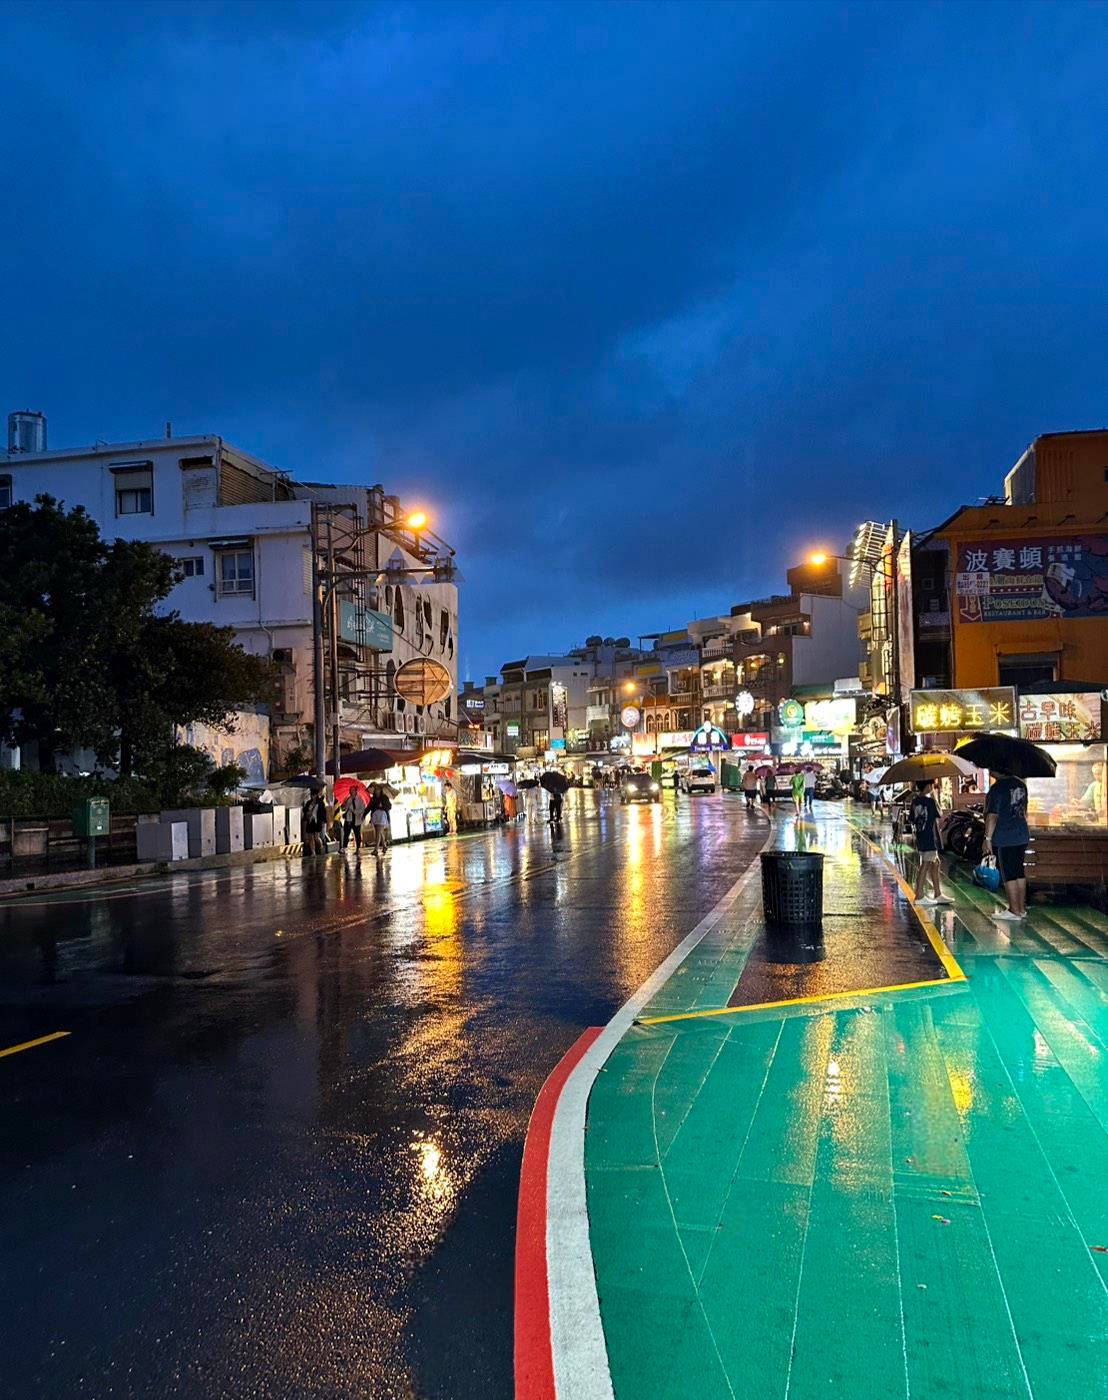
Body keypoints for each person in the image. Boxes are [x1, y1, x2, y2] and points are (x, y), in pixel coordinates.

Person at [984, 769, 1029, 920]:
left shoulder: (997, 789)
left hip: (1005, 837)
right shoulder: (1021, 785)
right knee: (1018, 872)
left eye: (992, 767)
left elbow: (992, 816)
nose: (989, 770)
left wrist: (988, 839)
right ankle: (1021, 909)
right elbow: (1024, 810)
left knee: (1008, 874)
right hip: (1021, 834)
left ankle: (1014, 910)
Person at [908, 778, 950, 905]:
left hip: (921, 836)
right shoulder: (930, 801)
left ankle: (937, 893)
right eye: (931, 785)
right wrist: (934, 796)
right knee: (926, 864)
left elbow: (912, 819)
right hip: (930, 837)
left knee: (935, 862)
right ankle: (919, 895)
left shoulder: (915, 801)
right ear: (928, 786)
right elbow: (940, 813)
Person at [369, 786, 392, 855]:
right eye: (375, 790)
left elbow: (389, 806)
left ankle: (376, 849)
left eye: (378, 789)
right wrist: (365, 814)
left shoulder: (384, 797)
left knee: (378, 832)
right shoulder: (373, 798)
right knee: (380, 832)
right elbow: (370, 807)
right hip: (376, 816)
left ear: (380, 790)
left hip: (382, 815)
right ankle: (384, 846)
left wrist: (382, 806)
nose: (376, 791)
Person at [302, 790, 326, 856]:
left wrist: (323, 821)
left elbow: (323, 812)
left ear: (316, 795)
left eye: (314, 795)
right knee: (310, 837)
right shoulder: (309, 802)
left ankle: (321, 846)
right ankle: (313, 852)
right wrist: (307, 813)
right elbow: (305, 810)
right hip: (310, 821)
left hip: (317, 821)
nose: (312, 796)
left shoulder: (320, 802)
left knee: (316, 837)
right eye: (311, 795)